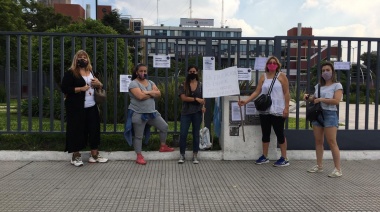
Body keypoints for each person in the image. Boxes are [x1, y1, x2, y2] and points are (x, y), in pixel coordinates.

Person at [238, 56, 290, 167]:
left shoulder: (282, 76)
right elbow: (257, 91)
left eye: (274, 63)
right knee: (265, 133)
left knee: (279, 133)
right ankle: (264, 156)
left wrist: (286, 108)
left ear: (277, 65)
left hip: (278, 109)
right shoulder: (263, 77)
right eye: (270, 63)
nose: (272, 64)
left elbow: (286, 93)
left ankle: (284, 158)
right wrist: (246, 101)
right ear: (267, 65)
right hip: (265, 109)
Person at [61, 50, 108, 167]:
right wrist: (80, 89)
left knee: (94, 129)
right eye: (80, 57)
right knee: (76, 130)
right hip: (76, 106)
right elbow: (65, 88)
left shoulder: (90, 71)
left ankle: (94, 154)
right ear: (76, 60)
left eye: (85, 57)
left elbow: (98, 86)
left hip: (91, 105)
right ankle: (75, 155)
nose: (83, 59)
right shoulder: (71, 73)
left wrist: (99, 84)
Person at [128, 64, 174, 165]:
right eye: (141, 71)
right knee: (139, 136)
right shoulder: (133, 84)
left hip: (152, 113)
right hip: (138, 113)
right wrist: (151, 93)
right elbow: (139, 96)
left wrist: (146, 92)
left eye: (145, 71)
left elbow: (159, 94)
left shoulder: (150, 82)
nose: (143, 73)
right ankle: (139, 156)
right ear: (136, 72)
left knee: (164, 127)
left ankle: (163, 146)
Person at [304, 61, 343, 178]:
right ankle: (319, 165)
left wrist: (321, 99)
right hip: (318, 114)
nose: (325, 72)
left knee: (332, 142)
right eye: (323, 71)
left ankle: (337, 169)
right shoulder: (319, 86)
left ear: (332, 72)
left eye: (328, 70)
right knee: (318, 141)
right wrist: (308, 97)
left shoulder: (337, 85)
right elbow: (315, 99)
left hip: (330, 114)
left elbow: (336, 101)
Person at [178, 65, 206, 164]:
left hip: (197, 113)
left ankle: (195, 155)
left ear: (197, 72)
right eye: (190, 71)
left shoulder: (201, 85)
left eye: (194, 71)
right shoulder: (183, 84)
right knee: (183, 134)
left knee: (196, 134)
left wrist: (203, 106)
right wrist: (195, 99)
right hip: (186, 113)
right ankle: (182, 154)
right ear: (188, 72)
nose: (192, 73)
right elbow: (183, 98)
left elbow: (203, 98)